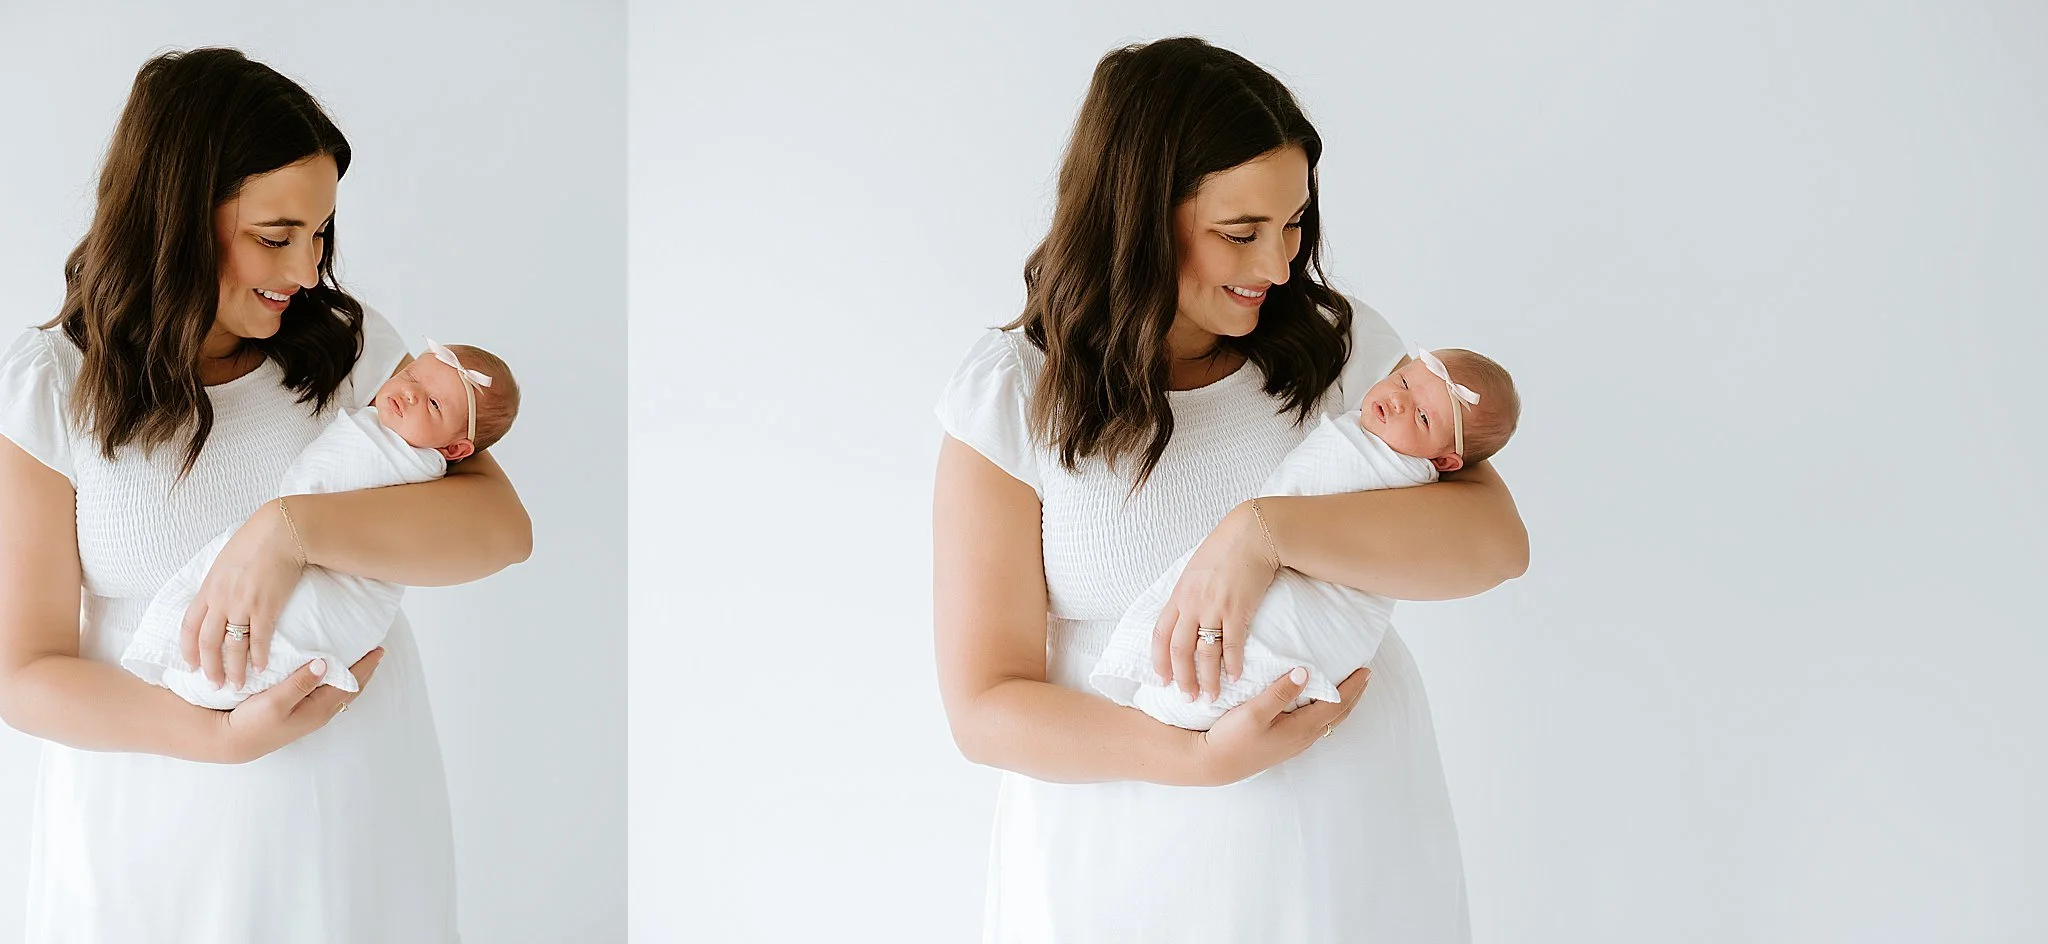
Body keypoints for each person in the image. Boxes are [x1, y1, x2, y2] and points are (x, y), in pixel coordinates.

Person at [932, 37, 1528, 942]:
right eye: (1240, 234)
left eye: (1294, 225)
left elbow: (1494, 546)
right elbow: (985, 706)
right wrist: (1195, 760)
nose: (1280, 266)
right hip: (1121, 861)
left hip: (1349, 849)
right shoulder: (1014, 395)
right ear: (1133, 217)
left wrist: (1263, 534)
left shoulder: (1343, 353)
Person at [0, 48, 532, 942]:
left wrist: (287, 531)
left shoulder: (345, 352)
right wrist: (217, 739)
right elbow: (24, 675)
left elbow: (501, 530)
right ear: (172, 219)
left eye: (320, 233)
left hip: (349, 806)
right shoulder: (51, 387)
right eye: (275, 235)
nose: (307, 268)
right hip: (149, 817)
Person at [1092, 346, 1521, 730]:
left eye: (1423, 417)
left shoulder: (1402, 466)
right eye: (1404, 381)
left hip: (1338, 671)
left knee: (1258, 644)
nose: (1396, 400)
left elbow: (1508, 550)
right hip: (1128, 758)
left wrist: (1264, 531)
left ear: (1445, 459)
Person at [121, 339, 522, 710]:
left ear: (454, 449)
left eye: (434, 405)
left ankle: (238, 674)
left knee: (292, 624)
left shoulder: (411, 462)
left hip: (345, 585)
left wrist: (288, 528)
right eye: (412, 375)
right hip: (156, 722)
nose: (412, 392)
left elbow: (513, 534)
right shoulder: (378, 418)